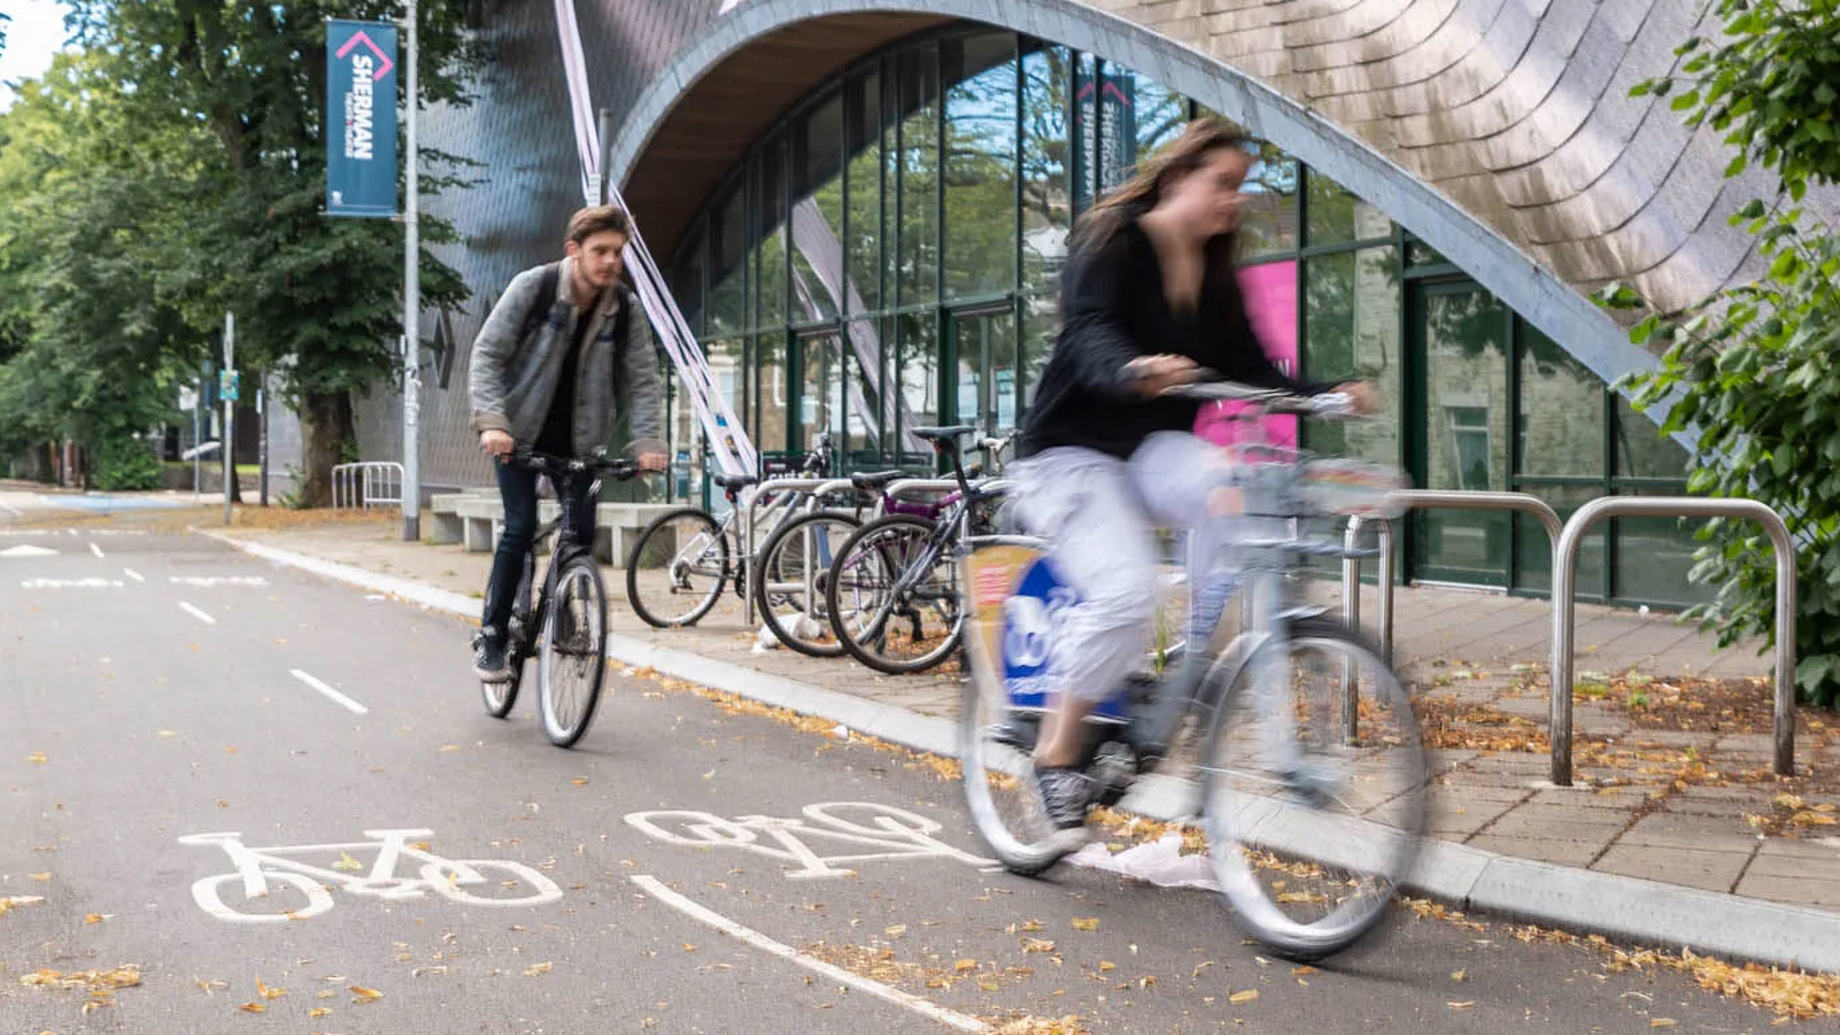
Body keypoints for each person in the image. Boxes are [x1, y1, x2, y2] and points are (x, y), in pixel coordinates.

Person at [1014, 118, 1375, 846]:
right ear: (1180, 178)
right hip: (1067, 454)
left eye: (1243, 188)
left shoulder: (1213, 271)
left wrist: (1322, 392)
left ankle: (1192, 658)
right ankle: (1054, 755)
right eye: (1225, 183)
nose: (1235, 201)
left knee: (1230, 483)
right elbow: (1089, 334)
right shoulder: (1114, 241)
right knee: (1127, 588)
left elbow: (1251, 366)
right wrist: (1132, 369)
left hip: (1149, 450)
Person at [466, 205, 668, 679]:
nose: (611, 261)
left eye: (618, 252)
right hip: (518, 436)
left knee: (579, 537)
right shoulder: (532, 288)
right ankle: (493, 636)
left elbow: (641, 381)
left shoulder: (625, 309)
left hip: (580, 444)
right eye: (601, 251)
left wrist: (645, 441)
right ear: (574, 251)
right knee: (520, 528)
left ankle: (564, 612)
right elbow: (488, 354)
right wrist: (494, 423)